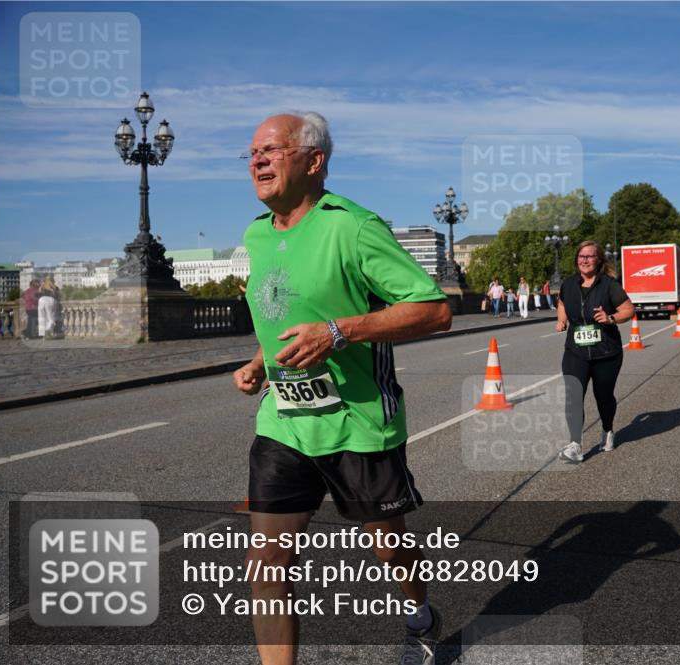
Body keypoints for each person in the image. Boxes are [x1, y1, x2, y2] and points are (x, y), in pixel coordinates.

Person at [232, 112, 452, 665]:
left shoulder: (352, 227)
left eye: (271, 150)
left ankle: (420, 616)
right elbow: (287, 310)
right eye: (252, 153)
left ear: (314, 161)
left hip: (358, 421)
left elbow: (434, 309)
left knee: (389, 547)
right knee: (266, 564)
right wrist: (261, 362)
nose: (258, 161)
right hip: (284, 421)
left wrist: (338, 333)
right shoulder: (256, 234)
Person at [556, 240, 635, 462]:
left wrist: (610, 318)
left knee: (604, 396)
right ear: (576, 260)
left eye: (590, 256)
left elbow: (629, 309)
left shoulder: (609, 285)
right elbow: (562, 304)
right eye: (582, 256)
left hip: (606, 353)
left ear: (598, 260)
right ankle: (575, 444)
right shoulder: (568, 284)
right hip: (575, 351)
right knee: (573, 395)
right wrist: (561, 320)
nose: (585, 260)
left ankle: (608, 429)